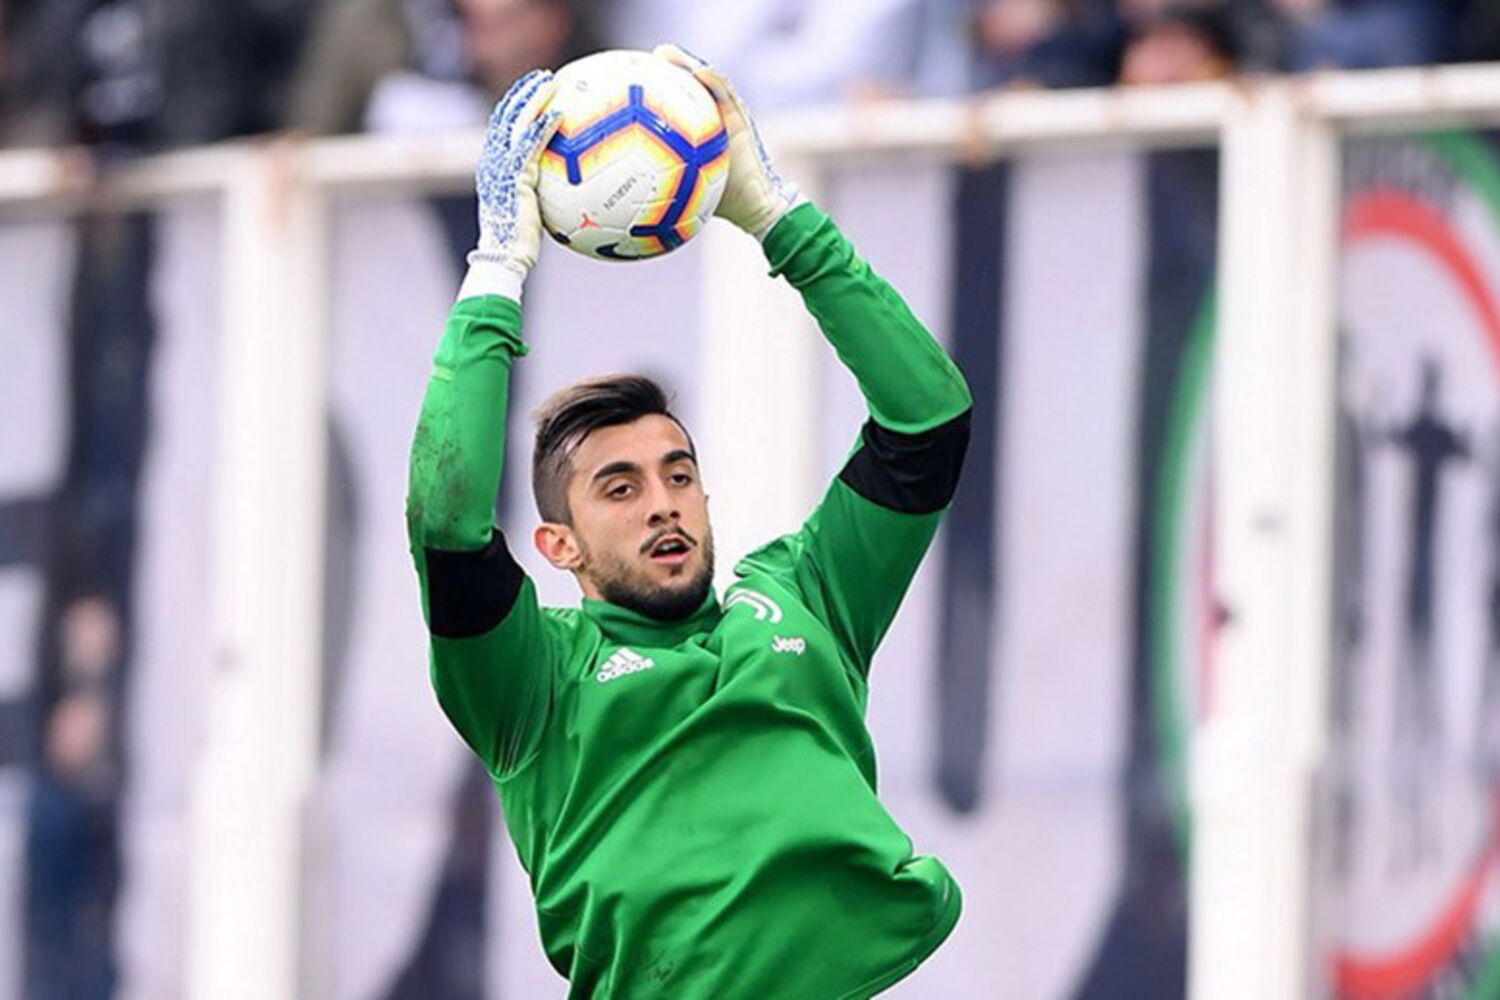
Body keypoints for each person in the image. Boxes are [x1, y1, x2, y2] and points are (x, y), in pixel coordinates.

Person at [405, 46, 973, 997]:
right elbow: (447, 523)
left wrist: (775, 215)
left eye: (678, 474)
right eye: (619, 488)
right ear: (558, 545)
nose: (663, 500)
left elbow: (928, 421)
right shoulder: (532, 682)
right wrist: (497, 268)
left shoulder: (806, 597)